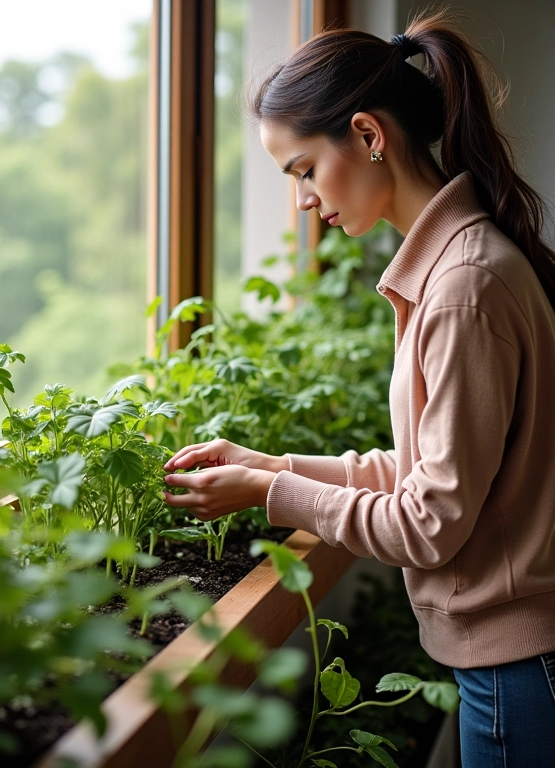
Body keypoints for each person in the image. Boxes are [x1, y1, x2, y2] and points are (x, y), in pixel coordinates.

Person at [162, 9, 555, 767]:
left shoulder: (463, 286)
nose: (304, 199)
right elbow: (427, 474)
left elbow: (428, 523)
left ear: (369, 136)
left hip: (518, 670)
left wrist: (269, 496)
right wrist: (267, 467)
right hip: (515, 665)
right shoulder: (456, 267)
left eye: (304, 170)